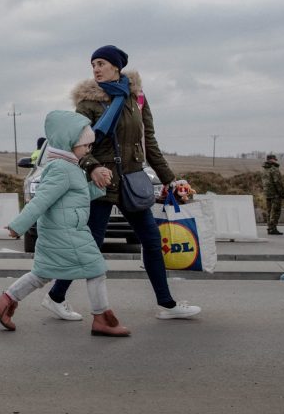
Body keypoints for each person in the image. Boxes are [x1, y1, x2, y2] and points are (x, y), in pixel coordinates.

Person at [44, 45, 201, 321]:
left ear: (117, 67)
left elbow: (148, 142)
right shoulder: (88, 103)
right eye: (93, 64)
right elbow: (77, 145)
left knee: (152, 241)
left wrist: (171, 180)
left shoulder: (136, 98)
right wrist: (92, 168)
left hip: (131, 181)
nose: (96, 69)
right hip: (102, 183)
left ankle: (167, 304)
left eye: (101, 63)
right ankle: (55, 296)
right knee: (91, 243)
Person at [0, 110, 130, 337]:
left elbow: (74, 196)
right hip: (68, 232)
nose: (88, 150)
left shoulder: (68, 167)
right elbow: (41, 200)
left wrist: (98, 187)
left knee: (42, 273)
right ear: (68, 142)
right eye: (84, 145)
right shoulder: (62, 169)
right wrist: (18, 225)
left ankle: (5, 301)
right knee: (96, 269)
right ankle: (102, 319)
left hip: (62, 230)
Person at [261, 153, 284, 235]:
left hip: (267, 193)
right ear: (272, 159)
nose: (276, 160)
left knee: (269, 211)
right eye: (275, 159)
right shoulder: (274, 169)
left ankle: (270, 227)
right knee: (275, 211)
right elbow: (277, 182)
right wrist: (282, 192)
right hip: (275, 193)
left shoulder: (264, 169)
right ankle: (273, 228)